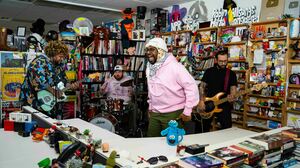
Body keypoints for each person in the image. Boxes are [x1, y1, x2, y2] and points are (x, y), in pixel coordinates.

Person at [145, 37, 199, 137]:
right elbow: (151, 88)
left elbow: (191, 87)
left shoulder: (175, 67)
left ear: (161, 51)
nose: (148, 52)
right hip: (155, 113)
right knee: (151, 143)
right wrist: (151, 107)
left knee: (172, 145)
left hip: (173, 113)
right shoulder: (150, 68)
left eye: (152, 49)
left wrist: (187, 111)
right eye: (147, 50)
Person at [20, 41, 78, 118]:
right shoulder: (39, 62)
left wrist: (70, 85)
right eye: (60, 56)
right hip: (34, 103)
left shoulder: (58, 65)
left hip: (50, 104)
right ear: (53, 53)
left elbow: (63, 80)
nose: (62, 59)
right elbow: (40, 83)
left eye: (63, 57)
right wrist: (54, 92)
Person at [197, 48, 237, 132]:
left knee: (227, 129)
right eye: (220, 61)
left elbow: (233, 89)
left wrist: (232, 97)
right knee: (202, 129)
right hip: (209, 103)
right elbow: (202, 87)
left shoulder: (231, 74)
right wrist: (201, 101)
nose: (223, 63)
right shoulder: (209, 71)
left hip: (224, 103)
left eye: (225, 61)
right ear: (216, 60)